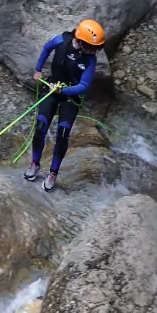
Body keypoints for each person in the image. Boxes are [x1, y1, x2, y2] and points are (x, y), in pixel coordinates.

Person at [24, 19, 105, 192]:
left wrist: (63, 91)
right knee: (40, 125)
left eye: (96, 48)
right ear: (81, 41)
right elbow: (47, 48)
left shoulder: (90, 60)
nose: (94, 51)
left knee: (62, 134)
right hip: (52, 88)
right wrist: (38, 70)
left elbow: (84, 86)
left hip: (70, 97)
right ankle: (35, 163)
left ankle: (53, 173)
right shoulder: (61, 40)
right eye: (92, 47)